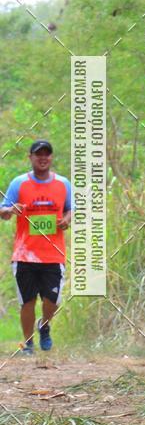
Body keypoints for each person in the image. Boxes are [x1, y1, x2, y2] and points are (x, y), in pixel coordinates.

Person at [0, 140, 72, 355]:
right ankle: (28, 343)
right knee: (28, 301)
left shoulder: (63, 184)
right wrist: (11, 210)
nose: (43, 158)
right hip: (25, 254)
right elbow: (3, 212)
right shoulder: (19, 183)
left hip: (53, 254)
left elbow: (70, 209)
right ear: (30, 157)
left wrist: (66, 220)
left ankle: (44, 326)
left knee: (52, 300)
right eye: (38, 154)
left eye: (47, 154)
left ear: (51, 158)